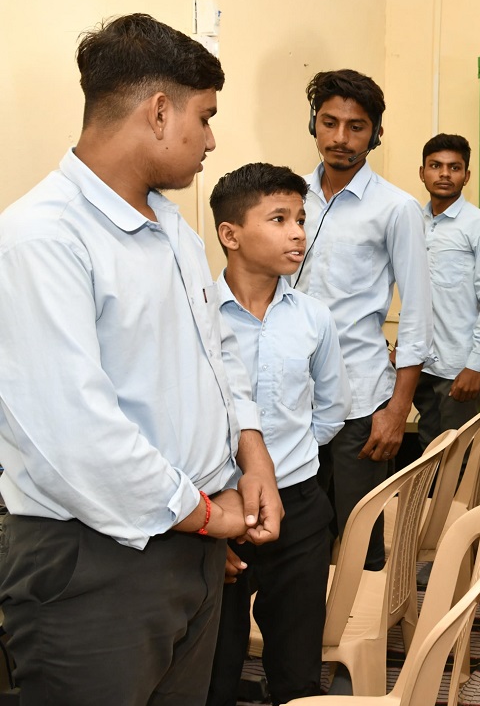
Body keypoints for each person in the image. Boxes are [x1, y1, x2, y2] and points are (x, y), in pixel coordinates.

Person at [0, 13, 282, 704]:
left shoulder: (174, 232)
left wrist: (252, 451)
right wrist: (205, 513)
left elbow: (220, 356)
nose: (212, 140)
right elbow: (74, 435)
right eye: (204, 118)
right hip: (95, 559)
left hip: (188, 539)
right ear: (159, 112)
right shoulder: (41, 238)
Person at [205, 163, 351, 706]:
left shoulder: (314, 317)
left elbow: (331, 407)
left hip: (299, 503)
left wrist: (290, 459)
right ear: (231, 234)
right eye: (279, 219)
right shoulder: (197, 316)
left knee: (295, 661)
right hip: (218, 509)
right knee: (215, 660)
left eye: (301, 218)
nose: (297, 232)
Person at [293, 69, 432, 569]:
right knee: (295, 532)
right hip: (291, 400)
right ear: (313, 124)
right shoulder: (289, 199)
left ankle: (359, 641)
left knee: (358, 537)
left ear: (375, 133)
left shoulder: (397, 209)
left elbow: (418, 313)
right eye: (329, 123)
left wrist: (398, 410)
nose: (340, 138)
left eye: (356, 127)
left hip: (359, 400)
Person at [415, 133, 480, 449]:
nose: (444, 174)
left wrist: (475, 364)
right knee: (424, 452)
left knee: (458, 457)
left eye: (454, 168)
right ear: (422, 172)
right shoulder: (414, 221)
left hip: (457, 367)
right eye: (435, 165)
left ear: (466, 176)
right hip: (418, 362)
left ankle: (460, 503)